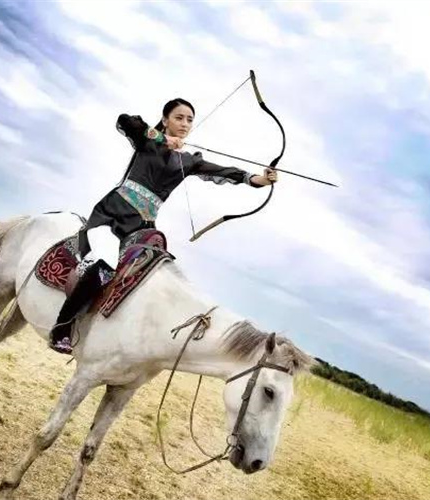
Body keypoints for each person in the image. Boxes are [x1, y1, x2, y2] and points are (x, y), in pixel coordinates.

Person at [49, 98, 277, 354]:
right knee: (102, 264)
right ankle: (62, 328)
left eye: (189, 120)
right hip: (113, 214)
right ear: (165, 119)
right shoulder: (148, 141)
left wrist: (259, 179)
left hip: (143, 225)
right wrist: (161, 138)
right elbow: (126, 121)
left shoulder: (189, 161)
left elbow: (226, 172)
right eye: (179, 117)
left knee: (153, 274)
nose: (185, 123)